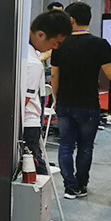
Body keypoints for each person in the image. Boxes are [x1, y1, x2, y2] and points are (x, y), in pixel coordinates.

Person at [51, 1, 111, 199]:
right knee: (86, 147)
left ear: (71, 20)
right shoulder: (100, 44)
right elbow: (110, 74)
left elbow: (54, 75)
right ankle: (81, 184)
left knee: (66, 146)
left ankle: (70, 187)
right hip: (88, 104)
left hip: (65, 103)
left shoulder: (60, 44)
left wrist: (56, 98)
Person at [24, 10, 72, 176]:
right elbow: (22, 102)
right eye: (55, 43)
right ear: (40, 35)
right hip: (27, 125)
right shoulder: (32, 63)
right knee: (37, 173)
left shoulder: (24, 51)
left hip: (24, 124)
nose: (56, 48)